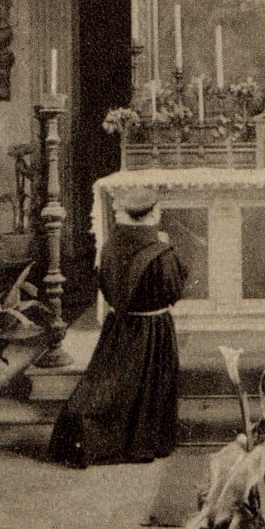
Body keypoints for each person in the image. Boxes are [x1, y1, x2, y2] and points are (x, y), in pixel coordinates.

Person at [49, 189, 188, 466]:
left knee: (112, 382)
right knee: (150, 384)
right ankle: (145, 441)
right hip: (153, 329)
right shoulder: (161, 252)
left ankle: (90, 434)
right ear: (152, 214)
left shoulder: (110, 246)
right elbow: (173, 291)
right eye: (157, 210)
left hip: (119, 327)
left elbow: (105, 283)